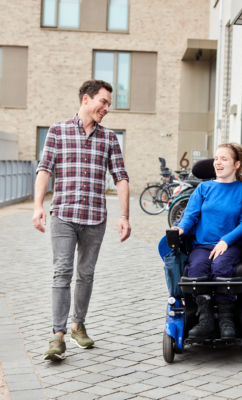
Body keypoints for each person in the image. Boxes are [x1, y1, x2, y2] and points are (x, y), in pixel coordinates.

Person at [33, 80, 131, 361]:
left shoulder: (110, 138)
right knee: (62, 271)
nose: (107, 108)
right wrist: (38, 205)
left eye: (109, 104)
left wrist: (124, 216)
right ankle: (57, 334)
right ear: (86, 99)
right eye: (103, 101)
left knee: (85, 274)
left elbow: (121, 177)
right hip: (63, 214)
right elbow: (44, 170)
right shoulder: (57, 130)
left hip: (95, 218)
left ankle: (78, 324)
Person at [173, 143, 242, 340]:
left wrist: (226, 240)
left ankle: (227, 320)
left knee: (220, 267)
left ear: (236, 165)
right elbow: (190, 216)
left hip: (230, 245)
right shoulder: (203, 188)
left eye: (223, 159)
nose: (218, 163)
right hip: (203, 245)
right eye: (216, 158)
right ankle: (206, 320)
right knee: (198, 266)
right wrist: (180, 228)